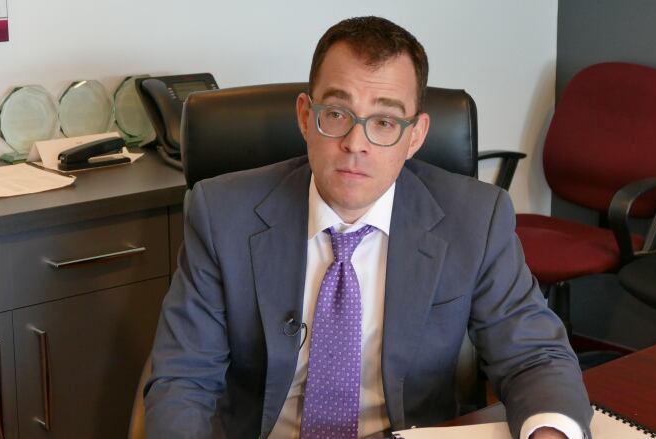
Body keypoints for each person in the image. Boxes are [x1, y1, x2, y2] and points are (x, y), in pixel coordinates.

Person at [145, 16, 592, 439]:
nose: (355, 144)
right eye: (337, 114)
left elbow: (535, 355)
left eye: (384, 121)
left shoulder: (475, 217)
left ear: (415, 136)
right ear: (305, 116)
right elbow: (183, 378)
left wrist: (550, 430)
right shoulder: (222, 213)